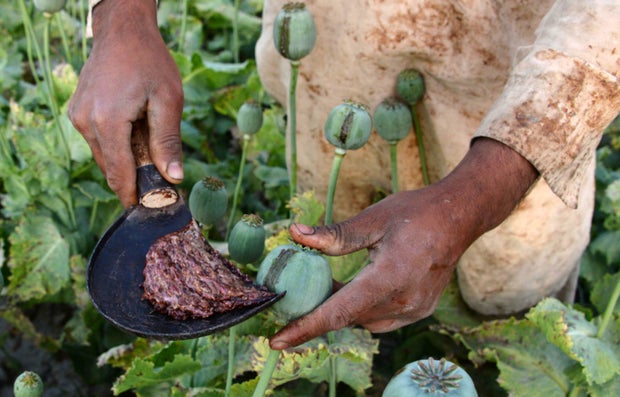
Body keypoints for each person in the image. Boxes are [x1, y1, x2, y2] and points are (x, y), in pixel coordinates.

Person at [69, 0, 620, 350]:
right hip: (329, 58)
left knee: (508, 289)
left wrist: (476, 196)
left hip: (519, 88)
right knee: (331, 260)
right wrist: (122, 15)